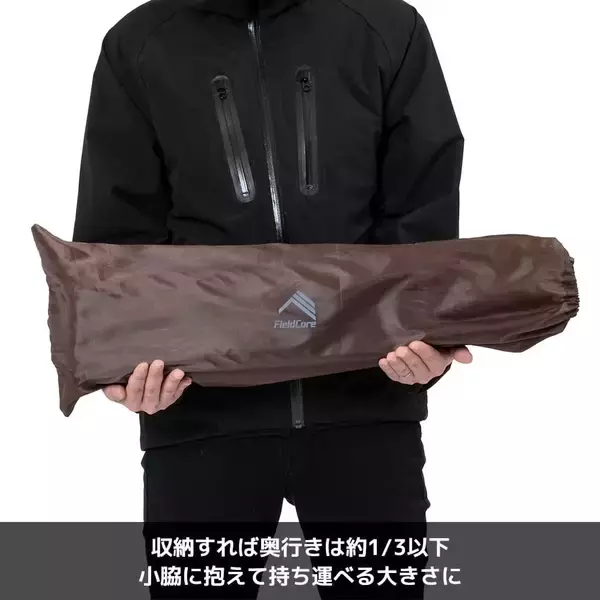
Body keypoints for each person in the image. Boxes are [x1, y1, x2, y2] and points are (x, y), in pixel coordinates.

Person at [72, 0, 473, 597]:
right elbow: (118, 238)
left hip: (365, 410)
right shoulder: (139, 43)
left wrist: (429, 339)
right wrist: (124, 368)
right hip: (200, 417)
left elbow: (423, 209)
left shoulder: (387, 27)